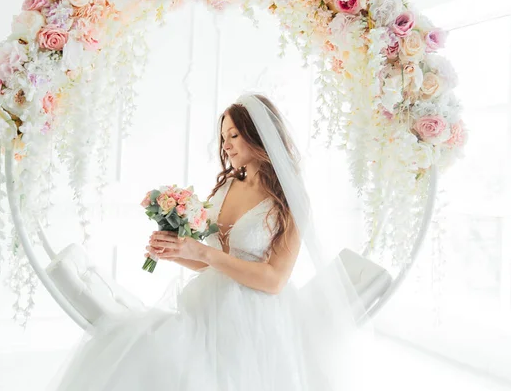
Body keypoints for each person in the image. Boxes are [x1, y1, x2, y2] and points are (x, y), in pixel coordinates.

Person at [48, 94, 373, 391]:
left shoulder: (288, 200)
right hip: (207, 304)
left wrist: (200, 250)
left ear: (258, 135)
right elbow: (208, 261)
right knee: (146, 349)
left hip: (255, 318)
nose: (226, 145)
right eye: (222, 137)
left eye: (233, 135)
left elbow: (274, 280)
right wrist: (177, 251)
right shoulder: (228, 186)